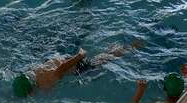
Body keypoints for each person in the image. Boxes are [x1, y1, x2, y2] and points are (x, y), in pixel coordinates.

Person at [12, 41, 143, 97]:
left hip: (78, 66)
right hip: (66, 61)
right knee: (105, 56)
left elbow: (62, 68)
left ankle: (132, 47)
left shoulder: (45, 81)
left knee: (107, 58)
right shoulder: (35, 73)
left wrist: (80, 56)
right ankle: (123, 47)